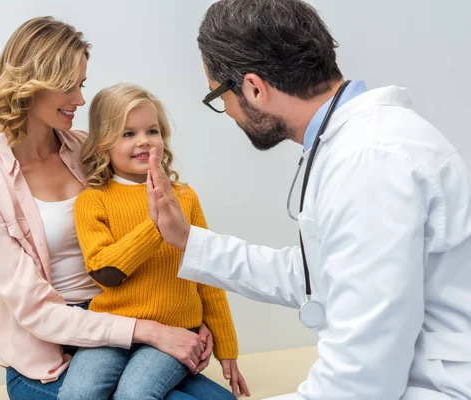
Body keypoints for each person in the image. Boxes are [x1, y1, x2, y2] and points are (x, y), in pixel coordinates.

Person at [145, 0, 471, 399]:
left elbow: (359, 382)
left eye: (219, 96)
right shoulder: (359, 146)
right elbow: (318, 275)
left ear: (254, 88)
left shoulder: (370, 162)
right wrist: (189, 241)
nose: (227, 111)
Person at [0, 16, 237, 400]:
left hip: (130, 315)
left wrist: (190, 319)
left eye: (82, 85)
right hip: (55, 353)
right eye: (68, 87)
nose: (79, 100)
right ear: (32, 86)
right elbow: (35, 311)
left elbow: (165, 222)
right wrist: (152, 331)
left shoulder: (89, 149)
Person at [56, 84, 249, 400]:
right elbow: (105, 270)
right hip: (113, 331)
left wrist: (227, 348)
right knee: (77, 393)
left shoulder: (184, 197)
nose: (143, 140)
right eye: (127, 134)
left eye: (152, 131)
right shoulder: (92, 201)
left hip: (177, 330)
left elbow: (209, 276)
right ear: (103, 144)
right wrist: (157, 224)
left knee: (135, 394)